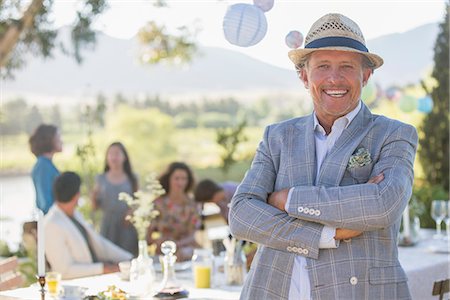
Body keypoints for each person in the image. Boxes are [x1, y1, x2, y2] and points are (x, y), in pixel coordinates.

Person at [229, 13, 417, 300]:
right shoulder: (277, 136)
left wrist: (287, 199)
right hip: (274, 291)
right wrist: (326, 235)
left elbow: (382, 205)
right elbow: (242, 215)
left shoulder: (394, 134)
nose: (334, 78)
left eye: (346, 66)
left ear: (365, 75)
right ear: (304, 76)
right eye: (323, 66)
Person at [45, 172, 133, 279]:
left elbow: (100, 244)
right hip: (77, 287)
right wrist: (103, 269)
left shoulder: (75, 214)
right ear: (77, 195)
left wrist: (129, 259)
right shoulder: (51, 224)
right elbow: (64, 271)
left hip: (97, 277)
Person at [91, 142, 139, 256]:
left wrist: (130, 214)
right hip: (108, 226)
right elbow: (95, 206)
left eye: (117, 153)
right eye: (111, 154)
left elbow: (138, 201)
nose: (114, 157)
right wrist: (93, 197)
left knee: (128, 257)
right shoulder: (100, 179)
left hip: (126, 226)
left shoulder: (132, 178)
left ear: (124, 157)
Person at [147, 162, 201, 261]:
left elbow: (192, 236)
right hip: (164, 250)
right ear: (169, 179)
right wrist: (159, 242)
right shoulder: (158, 204)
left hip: (186, 248)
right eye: (176, 178)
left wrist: (176, 245)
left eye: (184, 179)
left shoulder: (193, 205)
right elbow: (147, 236)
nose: (180, 183)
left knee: (183, 254)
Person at [29, 124, 62, 214]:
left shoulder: (47, 164)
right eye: (58, 137)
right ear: (49, 140)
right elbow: (45, 204)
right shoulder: (43, 167)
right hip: (51, 221)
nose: (61, 140)